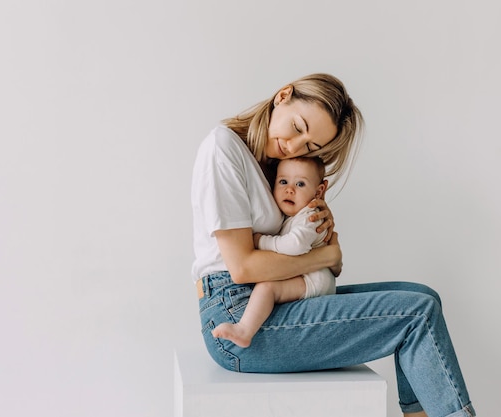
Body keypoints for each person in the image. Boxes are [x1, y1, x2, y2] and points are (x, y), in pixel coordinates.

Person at [191, 73, 476, 417]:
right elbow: (243, 268)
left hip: (275, 299)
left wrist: (317, 229)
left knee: (424, 296)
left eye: (311, 147)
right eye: (298, 126)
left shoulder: (273, 166)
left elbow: (298, 250)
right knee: (417, 314)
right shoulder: (223, 147)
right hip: (237, 312)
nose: (295, 145)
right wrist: (324, 256)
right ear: (283, 96)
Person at [212, 156, 336, 348]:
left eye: (300, 183)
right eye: (283, 181)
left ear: (319, 191)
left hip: (314, 278)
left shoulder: (311, 216)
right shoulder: (292, 217)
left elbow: (296, 245)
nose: (290, 189)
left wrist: (261, 241)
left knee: (267, 289)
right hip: (309, 274)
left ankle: (244, 330)